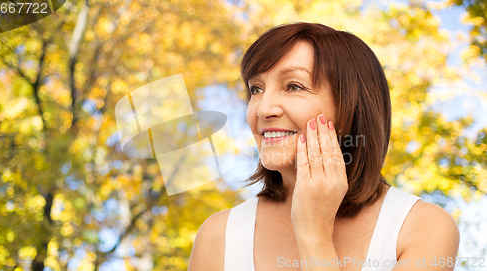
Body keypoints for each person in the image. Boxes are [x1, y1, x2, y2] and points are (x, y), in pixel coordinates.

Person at [188, 22, 459, 271]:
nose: (264, 109)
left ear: (351, 107)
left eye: (293, 86)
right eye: (256, 89)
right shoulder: (219, 236)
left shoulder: (422, 228)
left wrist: (314, 235)